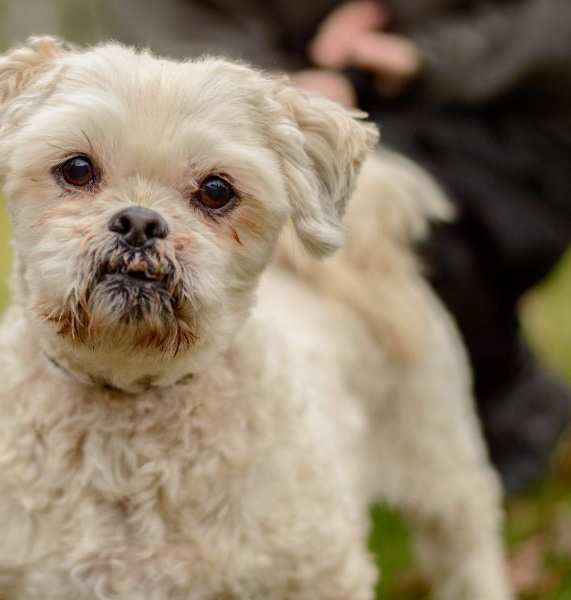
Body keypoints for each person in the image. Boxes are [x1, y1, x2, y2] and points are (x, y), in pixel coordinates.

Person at [101, 0, 571, 493]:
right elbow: (176, 43)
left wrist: (406, 58)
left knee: (389, 218)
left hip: (497, 124)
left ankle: (503, 388)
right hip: (294, 118)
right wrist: (298, 87)